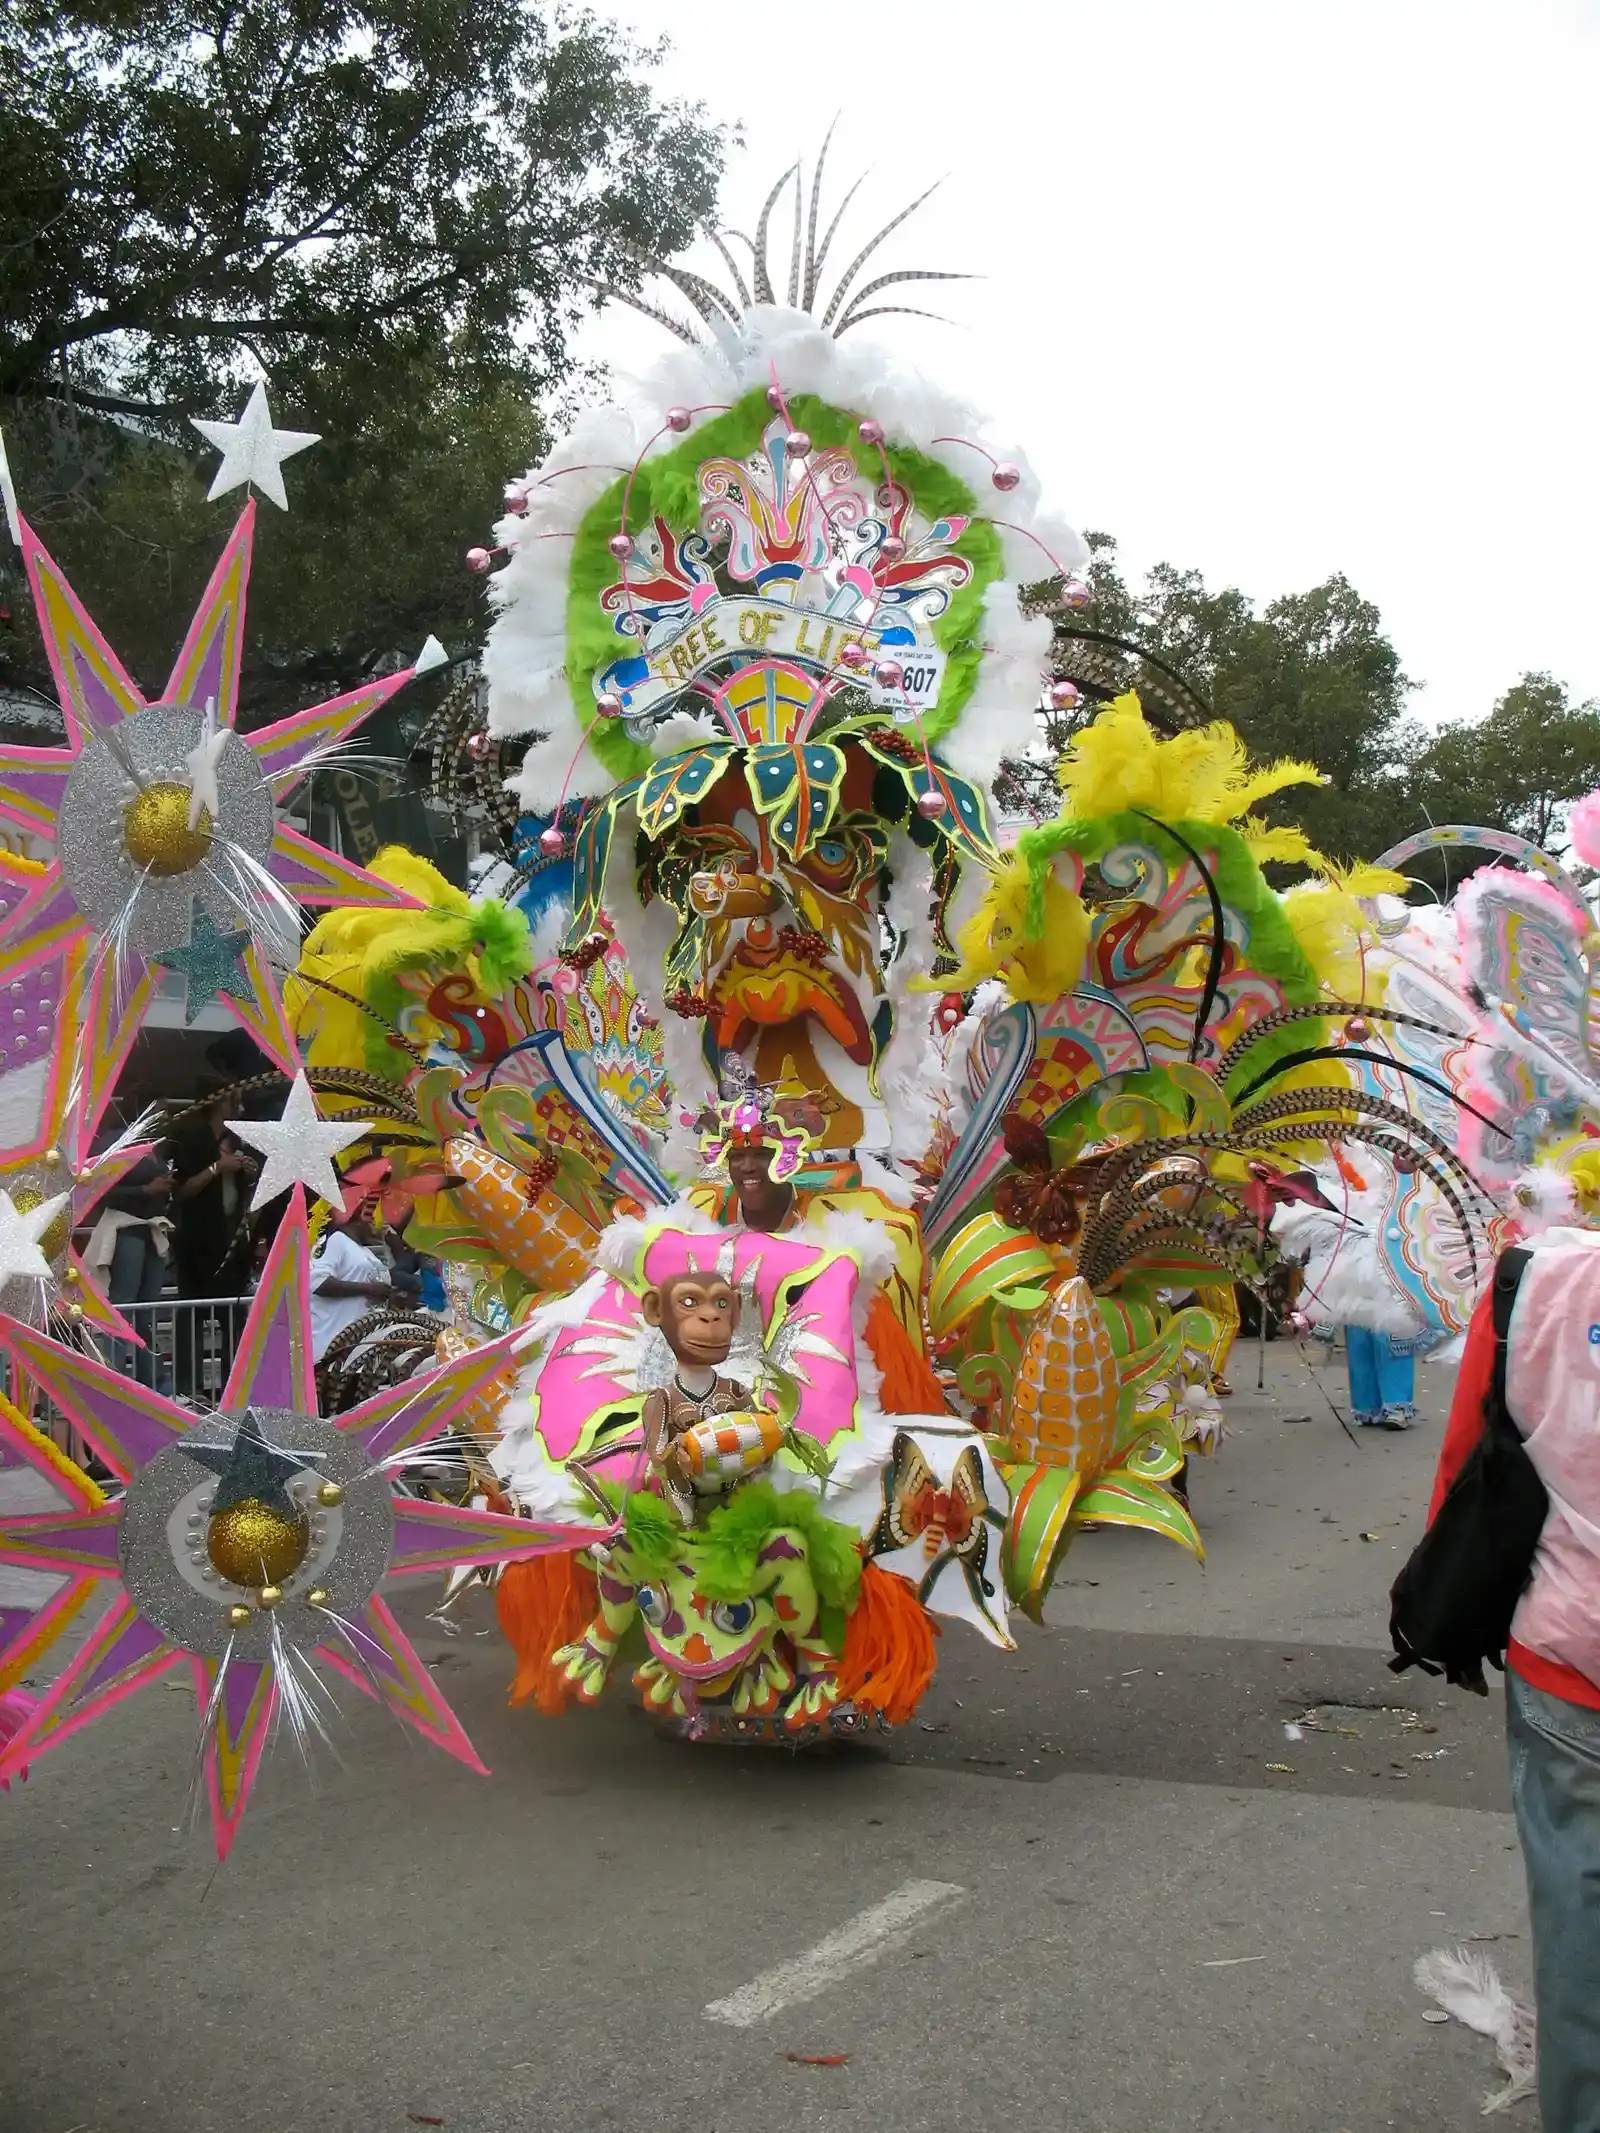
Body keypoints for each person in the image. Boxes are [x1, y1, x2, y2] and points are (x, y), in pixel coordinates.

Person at [1430, 1232, 1600, 2132]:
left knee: (1579, 1936)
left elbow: (1467, 1463)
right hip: (1567, 1662)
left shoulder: (1536, 1281)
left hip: (1571, 1654)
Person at [169, 1084, 258, 1401]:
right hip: (197, 1245)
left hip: (232, 1246)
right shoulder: (193, 1140)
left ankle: (233, 1389)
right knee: (192, 1319)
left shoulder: (239, 1141)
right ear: (221, 1102)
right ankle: (187, 1390)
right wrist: (216, 1168)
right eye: (236, 1101)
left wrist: (247, 1173)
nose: (242, 1109)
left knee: (234, 1324)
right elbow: (181, 1191)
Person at [86, 1150, 173, 1388]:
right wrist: (145, 1190)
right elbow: (103, 1191)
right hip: (126, 1229)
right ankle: (115, 1379)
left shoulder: (158, 1146)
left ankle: (154, 1381)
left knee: (146, 1313)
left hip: (152, 1228)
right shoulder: (117, 1144)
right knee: (123, 1307)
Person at [309, 1197, 396, 1364]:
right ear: (354, 1218)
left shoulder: (365, 1252)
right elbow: (318, 1283)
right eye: (369, 1215)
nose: (373, 1222)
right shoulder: (335, 1240)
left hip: (362, 1350)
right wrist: (369, 1289)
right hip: (332, 1349)